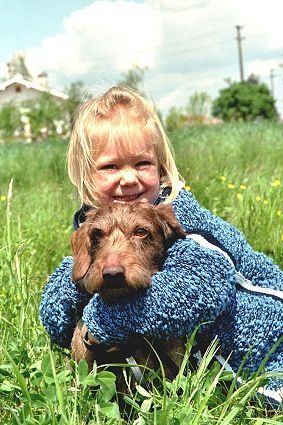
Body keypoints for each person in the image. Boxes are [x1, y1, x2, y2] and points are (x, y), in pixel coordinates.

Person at [40, 86, 283, 406]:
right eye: (111, 167)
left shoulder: (188, 232)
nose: (128, 178)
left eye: (142, 163)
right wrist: (83, 278)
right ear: (87, 177)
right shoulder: (93, 228)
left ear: (160, 167)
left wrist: (96, 325)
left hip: (265, 346)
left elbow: (180, 303)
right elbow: (55, 314)